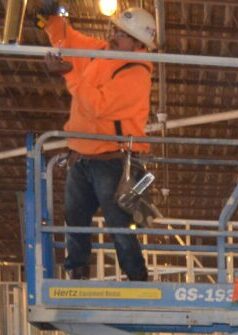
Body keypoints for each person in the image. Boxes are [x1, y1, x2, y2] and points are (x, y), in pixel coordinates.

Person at [36, 0, 157, 282]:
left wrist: (70, 75)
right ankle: (77, 273)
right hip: (83, 155)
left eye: (122, 34)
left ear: (139, 44)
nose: (114, 36)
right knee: (75, 217)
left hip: (113, 159)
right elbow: (70, 39)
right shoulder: (101, 53)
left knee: (118, 222)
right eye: (115, 30)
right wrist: (51, 18)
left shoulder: (136, 73)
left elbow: (99, 106)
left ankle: (136, 278)